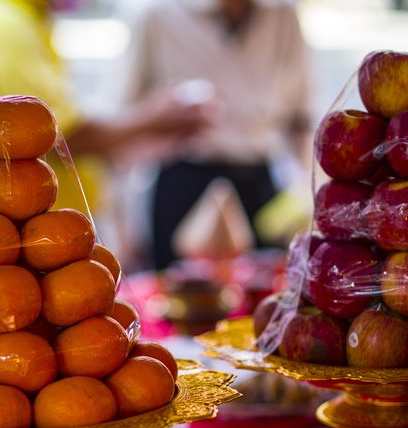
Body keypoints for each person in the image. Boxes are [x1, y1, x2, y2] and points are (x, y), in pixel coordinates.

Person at [0, 0, 211, 231]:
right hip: (7, 232)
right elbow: (56, 136)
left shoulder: (22, 18)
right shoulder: (2, 27)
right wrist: (152, 118)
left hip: (31, 228)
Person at [120, 0, 314, 270]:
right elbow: (126, 119)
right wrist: (124, 228)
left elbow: (300, 118)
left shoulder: (282, 16)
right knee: (181, 297)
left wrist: (303, 190)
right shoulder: (159, 15)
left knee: (262, 294)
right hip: (185, 183)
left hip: (259, 183)